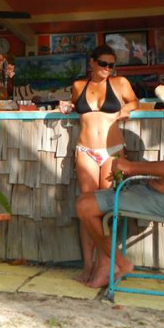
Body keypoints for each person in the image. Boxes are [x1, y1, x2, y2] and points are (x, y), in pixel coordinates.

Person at [75, 76, 164, 288]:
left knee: (85, 206)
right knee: (93, 205)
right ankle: (105, 265)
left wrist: (131, 167)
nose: (163, 106)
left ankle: (119, 263)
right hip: (157, 195)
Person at [59, 44, 138, 284]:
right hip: (85, 150)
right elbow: (75, 108)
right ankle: (88, 266)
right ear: (91, 63)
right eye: (103, 63)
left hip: (112, 150)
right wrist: (67, 107)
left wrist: (125, 110)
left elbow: (135, 102)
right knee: (86, 207)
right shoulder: (79, 86)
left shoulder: (120, 83)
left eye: (112, 65)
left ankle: (105, 265)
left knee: (104, 208)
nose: (108, 69)